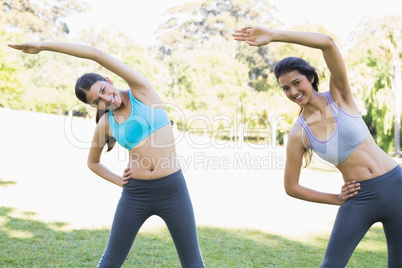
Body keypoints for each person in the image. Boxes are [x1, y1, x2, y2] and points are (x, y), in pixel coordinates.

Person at [8, 42, 205, 268]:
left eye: (103, 91)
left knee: (192, 262)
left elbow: (96, 54)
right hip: (136, 195)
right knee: (110, 261)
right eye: (97, 102)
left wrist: (43, 46)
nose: (107, 100)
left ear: (108, 81)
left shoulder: (142, 91)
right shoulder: (105, 123)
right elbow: (93, 162)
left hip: (172, 190)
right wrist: (118, 180)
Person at [232, 26, 402, 267]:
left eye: (296, 82)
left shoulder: (340, 96)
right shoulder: (298, 133)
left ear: (310, 78)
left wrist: (274, 36)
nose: (293, 91)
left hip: (396, 186)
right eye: (285, 88)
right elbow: (291, 187)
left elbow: (328, 43)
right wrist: (335, 198)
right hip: (360, 198)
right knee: (331, 264)